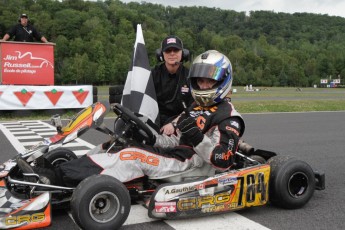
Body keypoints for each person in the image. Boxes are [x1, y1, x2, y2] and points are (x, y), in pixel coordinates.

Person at [17, 50, 245, 187]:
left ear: (223, 81)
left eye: (210, 82)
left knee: (131, 156)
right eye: (200, 81)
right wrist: (148, 134)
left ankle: (57, 181)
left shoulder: (229, 117)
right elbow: (172, 141)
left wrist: (196, 138)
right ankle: (59, 171)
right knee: (117, 144)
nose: (204, 86)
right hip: (176, 154)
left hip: (193, 165)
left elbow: (222, 159)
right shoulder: (194, 107)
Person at [152, 35, 194, 135]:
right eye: (168, 50)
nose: (172, 53)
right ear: (161, 54)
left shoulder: (190, 77)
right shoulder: (153, 74)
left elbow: (193, 107)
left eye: (175, 50)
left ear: (183, 54)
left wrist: (175, 123)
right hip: (155, 121)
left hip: (181, 122)